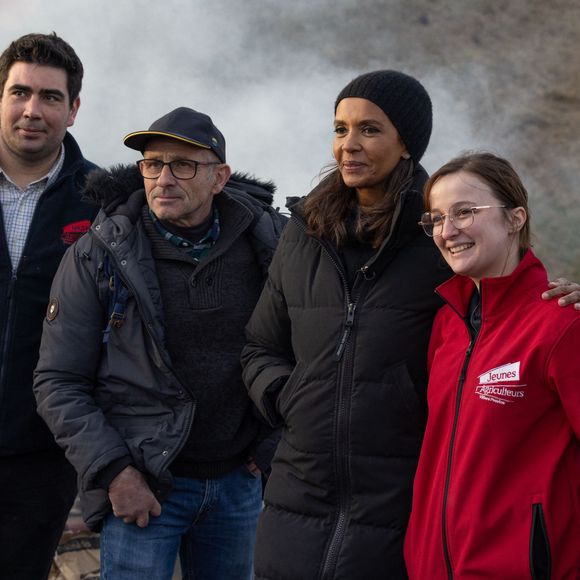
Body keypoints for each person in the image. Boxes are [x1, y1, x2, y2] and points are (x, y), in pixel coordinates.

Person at [241, 70, 580, 580]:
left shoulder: (448, 252)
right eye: (339, 129)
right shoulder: (303, 236)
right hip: (299, 499)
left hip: (398, 509)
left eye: (370, 129)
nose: (349, 145)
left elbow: (511, 308)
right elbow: (259, 348)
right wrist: (294, 400)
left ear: (407, 144)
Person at [33, 107, 286, 580]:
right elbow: (58, 381)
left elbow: (307, 357)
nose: (163, 178)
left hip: (239, 486)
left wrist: (272, 446)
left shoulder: (271, 245)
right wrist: (114, 473)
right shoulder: (99, 254)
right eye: (152, 164)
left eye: (182, 165)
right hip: (143, 490)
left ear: (219, 177)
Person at [405, 152, 580, 579]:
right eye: (437, 219)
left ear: (515, 218)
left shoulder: (562, 323)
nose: (448, 231)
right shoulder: (447, 324)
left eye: (465, 212)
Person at [0, 32, 98, 579]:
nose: (33, 110)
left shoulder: (104, 203)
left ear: (74, 108)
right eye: (20, 92)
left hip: (44, 456)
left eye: (51, 97)